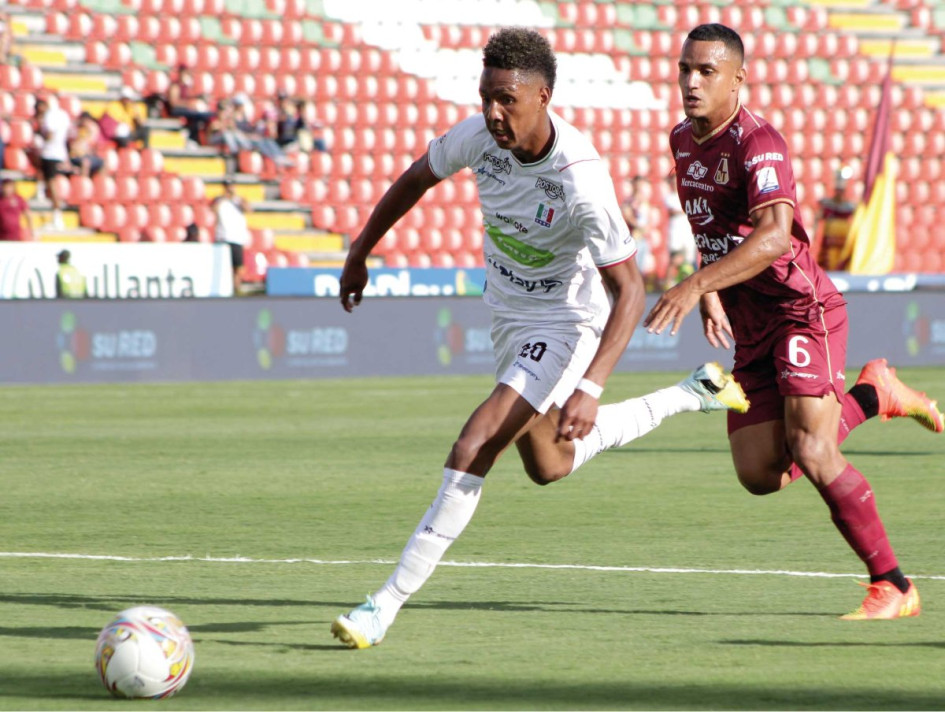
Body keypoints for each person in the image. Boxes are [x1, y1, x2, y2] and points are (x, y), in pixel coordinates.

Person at [331, 27, 750, 650]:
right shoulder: (479, 138)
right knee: (549, 463)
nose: (493, 113)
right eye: (486, 98)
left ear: (542, 95)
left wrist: (590, 385)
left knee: (475, 442)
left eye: (507, 99)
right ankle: (692, 394)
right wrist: (360, 251)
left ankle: (382, 605)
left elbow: (630, 291)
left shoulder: (580, 178)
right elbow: (416, 178)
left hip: (563, 323)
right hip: (507, 316)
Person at [644, 23, 944, 621]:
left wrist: (696, 283)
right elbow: (709, 224)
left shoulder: (760, 143)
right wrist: (711, 287)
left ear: (739, 79)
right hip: (749, 320)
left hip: (800, 311)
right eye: (685, 69)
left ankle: (893, 585)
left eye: (706, 71)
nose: (691, 81)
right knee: (759, 473)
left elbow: (775, 234)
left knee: (811, 447)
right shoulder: (681, 139)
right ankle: (872, 392)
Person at [32, 95, 71, 230]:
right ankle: (42, 192)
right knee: (51, 179)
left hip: (50, 152)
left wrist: (41, 134)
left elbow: (49, 135)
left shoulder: (50, 116)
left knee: (52, 182)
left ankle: (56, 215)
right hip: (60, 152)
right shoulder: (63, 114)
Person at [813, 166, 856, 272]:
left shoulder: (850, 206)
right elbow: (818, 218)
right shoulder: (827, 204)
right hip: (829, 242)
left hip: (843, 241)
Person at [212, 178, 251, 292]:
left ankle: (236, 289)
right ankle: (225, 289)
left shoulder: (239, 201)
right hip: (223, 237)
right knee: (224, 266)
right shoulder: (219, 200)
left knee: (237, 267)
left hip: (236, 238)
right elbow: (213, 209)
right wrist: (225, 198)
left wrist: (237, 199)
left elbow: (248, 209)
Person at [663, 174, 697, 275]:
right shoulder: (669, 197)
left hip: (688, 232)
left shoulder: (686, 195)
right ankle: (667, 283)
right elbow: (673, 211)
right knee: (675, 259)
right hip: (676, 232)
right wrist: (687, 210)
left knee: (689, 260)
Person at [69, 111, 104, 177]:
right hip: (76, 155)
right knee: (85, 163)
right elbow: (73, 145)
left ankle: (100, 183)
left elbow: (93, 142)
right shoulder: (75, 129)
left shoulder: (90, 130)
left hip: (86, 155)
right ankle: (83, 183)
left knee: (103, 162)